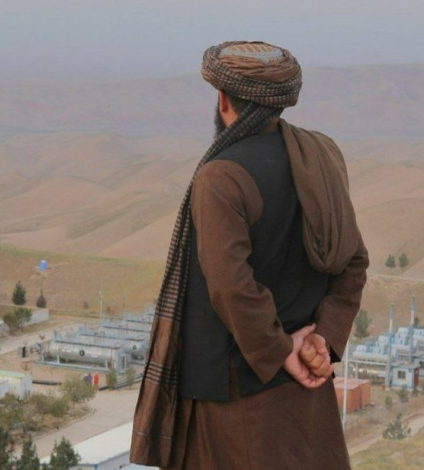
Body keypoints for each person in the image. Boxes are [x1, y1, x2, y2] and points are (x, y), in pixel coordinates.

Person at [130, 41, 369, 470]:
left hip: (237, 401)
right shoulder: (322, 156)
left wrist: (281, 352)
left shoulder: (221, 177)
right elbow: (354, 260)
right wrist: (321, 340)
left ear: (223, 100)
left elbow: (231, 287)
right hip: (306, 384)